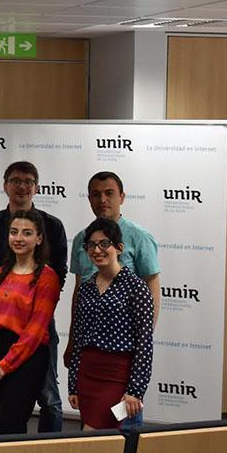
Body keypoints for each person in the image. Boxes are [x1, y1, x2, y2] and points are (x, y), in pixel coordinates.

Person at [0, 161, 67, 436]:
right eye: (15, 180)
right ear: (5, 185)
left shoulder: (53, 226)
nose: (22, 186)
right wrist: (5, 300)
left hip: (36, 328)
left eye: (28, 181)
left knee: (49, 398)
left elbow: (59, 275)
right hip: (1, 326)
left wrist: (18, 301)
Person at [66, 171, 159, 428]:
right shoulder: (81, 242)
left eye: (109, 193)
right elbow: (78, 297)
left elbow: (152, 290)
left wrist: (136, 384)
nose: (103, 200)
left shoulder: (139, 240)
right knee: (93, 436)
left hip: (120, 367)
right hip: (90, 369)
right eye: (96, 194)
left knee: (122, 430)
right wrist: (72, 348)